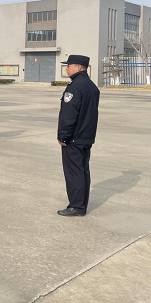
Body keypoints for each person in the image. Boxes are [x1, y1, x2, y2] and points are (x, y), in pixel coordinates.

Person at [57, 55, 100, 217]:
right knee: (82, 170)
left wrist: (63, 136)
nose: (67, 68)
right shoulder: (91, 86)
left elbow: (69, 115)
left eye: (69, 65)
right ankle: (81, 204)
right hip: (86, 136)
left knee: (74, 172)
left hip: (74, 138)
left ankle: (76, 206)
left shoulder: (75, 87)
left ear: (79, 67)